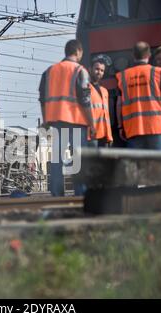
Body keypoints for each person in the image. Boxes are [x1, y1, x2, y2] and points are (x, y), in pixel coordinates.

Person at [38, 39, 96, 196]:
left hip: (56, 121)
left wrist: (46, 120)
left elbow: (42, 99)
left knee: (57, 159)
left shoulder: (50, 71)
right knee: (78, 161)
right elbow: (85, 100)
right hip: (76, 121)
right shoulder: (80, 71)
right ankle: (81, 194)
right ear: (78, 52)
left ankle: (56, 194)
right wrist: (92, 123)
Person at [115, 41, 161, 150]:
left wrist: (120, 126)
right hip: (155, 127)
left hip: (133, 129)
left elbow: (119, 104)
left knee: (136, 165)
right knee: (159, 165)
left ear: (133, 55)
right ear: (149, 55)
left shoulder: (122, 76)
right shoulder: (157, 72)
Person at [88, 56, 113, 147]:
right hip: (91, 136)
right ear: (90, 69)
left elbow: (106, 115)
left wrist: (109, 136)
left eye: (102, 70)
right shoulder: (85, 89)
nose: (99, 72)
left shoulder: (104, 91)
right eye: (97, 69)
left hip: (104, 137)